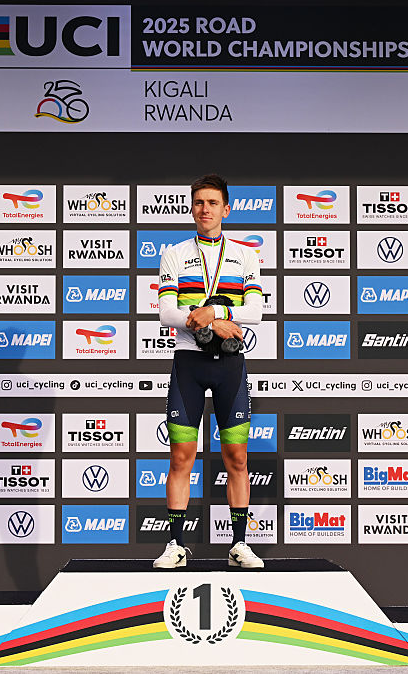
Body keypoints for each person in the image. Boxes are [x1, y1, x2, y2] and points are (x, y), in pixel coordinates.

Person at [153, 174, 264, 568]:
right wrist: (209, 324)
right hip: (189, 363)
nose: (205, 209)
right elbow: (165, 311)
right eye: (199, 202)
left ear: (226, 209)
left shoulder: (245, 255)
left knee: (236, 456)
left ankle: (239, 544)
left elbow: (257, 312)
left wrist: (214, 312)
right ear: (192, 208)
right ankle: (176, 545)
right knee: (182, 456)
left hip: (230, 366)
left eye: (212, 203)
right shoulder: (174, 255)